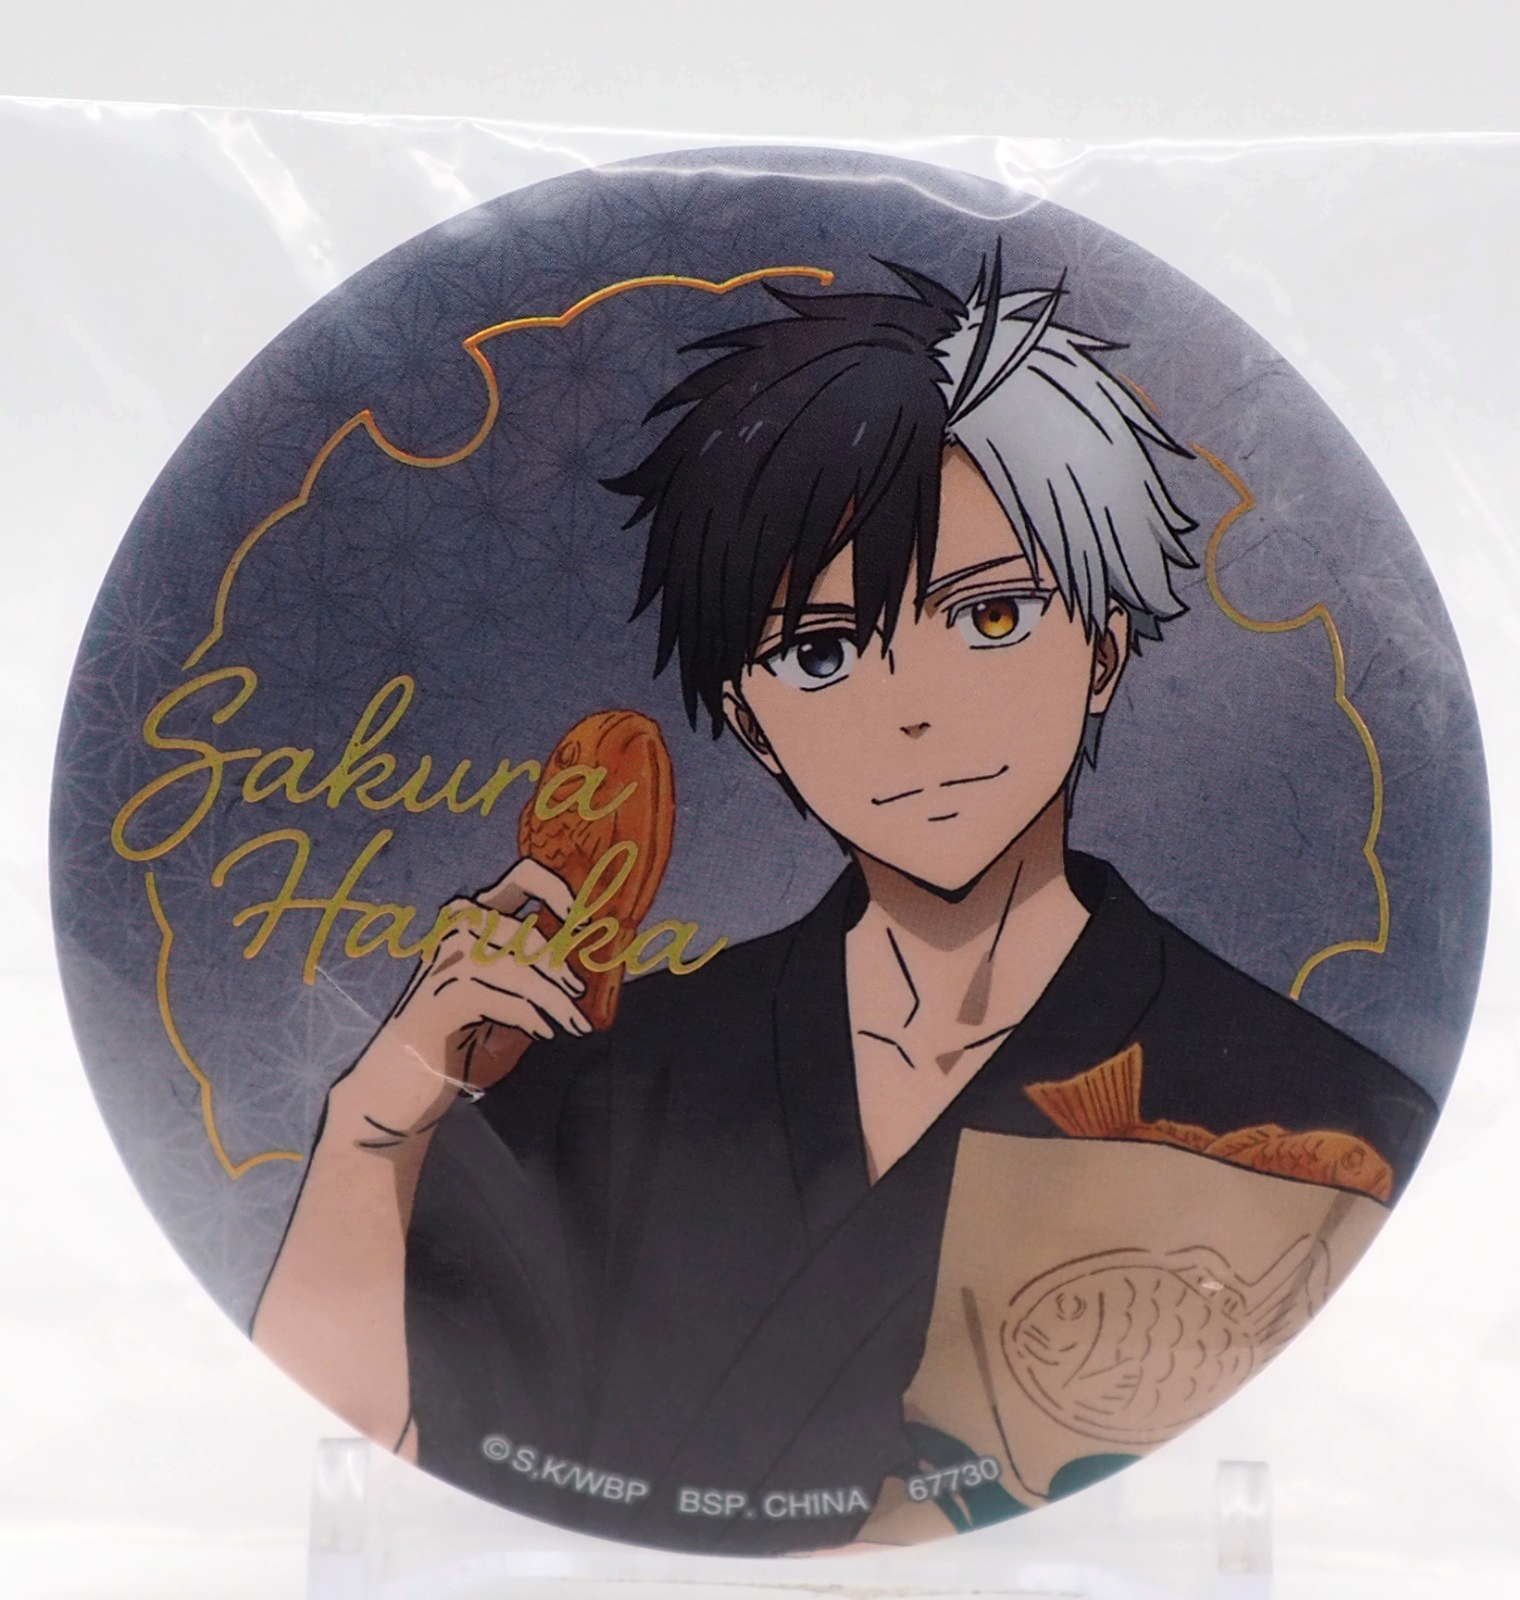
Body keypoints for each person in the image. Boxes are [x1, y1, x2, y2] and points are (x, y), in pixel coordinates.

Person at [251, 252, 1437, 1554]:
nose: (912, 708)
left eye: (990, 618)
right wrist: (373, 1136)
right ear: (752, 722)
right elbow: (364, 1484)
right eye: (820, 651)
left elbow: (1353, 1475)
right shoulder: (607, 1077)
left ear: (1102, 648)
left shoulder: (1316, 1110)